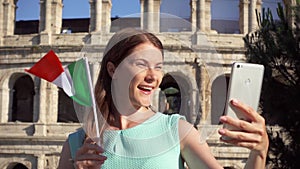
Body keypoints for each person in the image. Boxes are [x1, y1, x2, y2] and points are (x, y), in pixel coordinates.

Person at [58, 28, 269, 169]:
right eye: (141, 64)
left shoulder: (177, 130)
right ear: (113, 69)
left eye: (158, 67)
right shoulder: (77, 143)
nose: (153, 76)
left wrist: (259, 152)